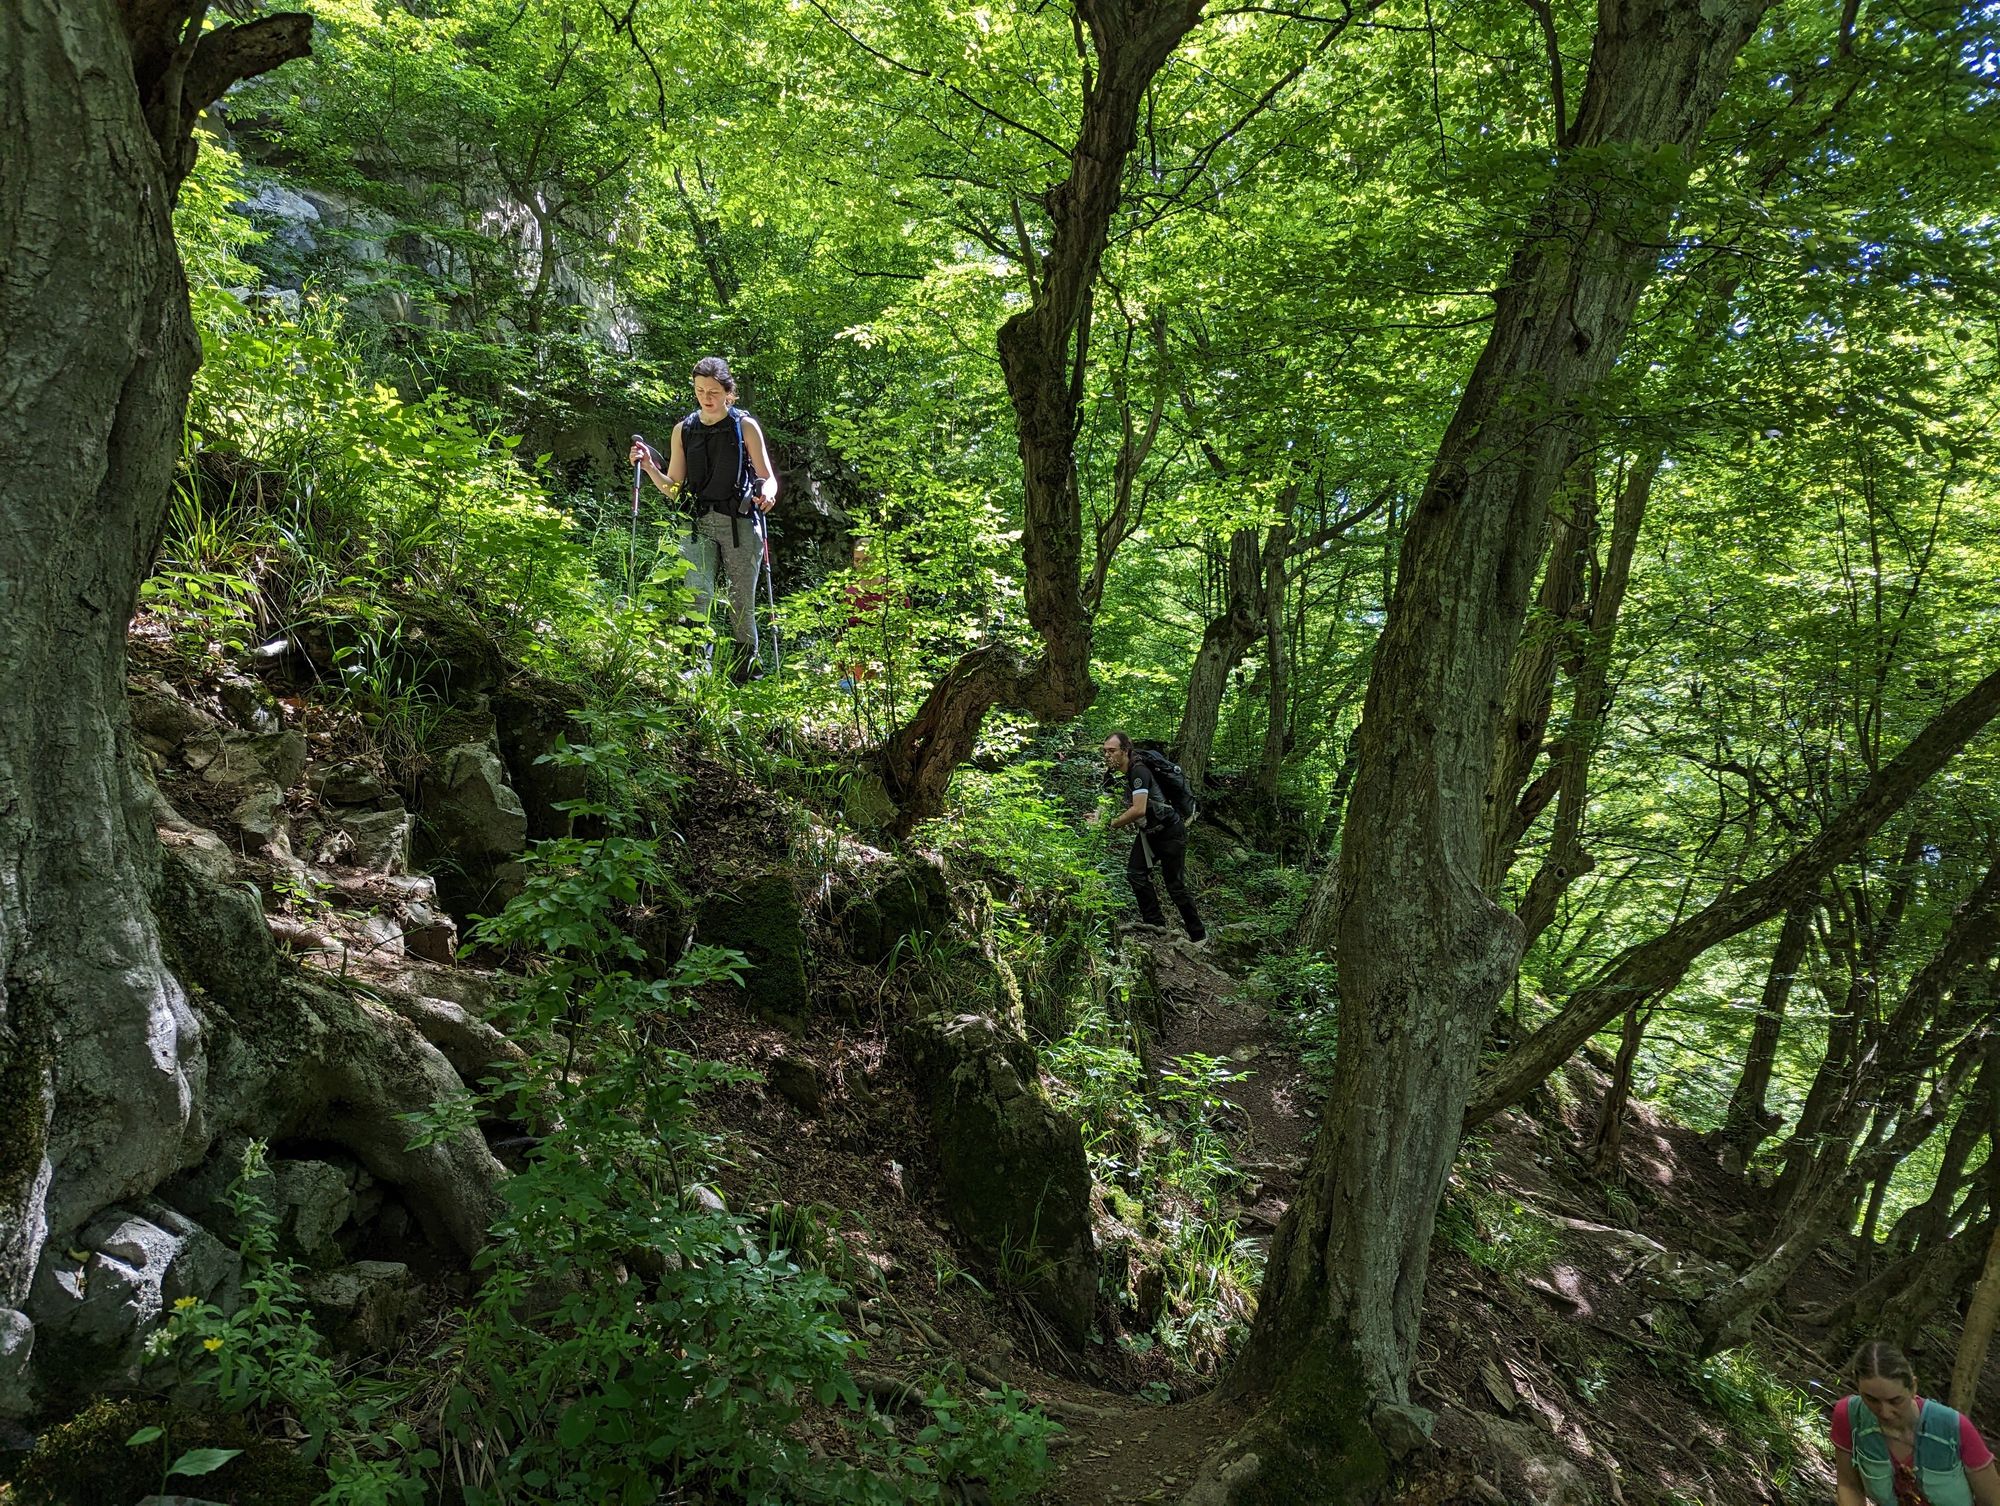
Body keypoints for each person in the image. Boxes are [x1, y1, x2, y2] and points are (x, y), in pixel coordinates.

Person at [630, 356, 777, 682]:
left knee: (742, 603)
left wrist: (768, 491)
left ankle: (745, 678)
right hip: (696, 525)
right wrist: (650, 467)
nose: (706, 397)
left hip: (740, 524)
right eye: (699, 390)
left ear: (729, 392)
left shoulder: (745, 426)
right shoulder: (684, 430)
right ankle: (693, 674)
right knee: (697, 597)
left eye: (713, 391)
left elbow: (768, 476)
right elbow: (674, 487)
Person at [1831, 1341, 2000, 1506]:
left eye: (1895, 1401)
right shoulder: (1849, 1416)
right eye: (1871, 1399)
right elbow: (1849, 1486)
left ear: (1913, 1387)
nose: (1885, 1412)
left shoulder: (1954, 1428)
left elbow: (1993, 1500)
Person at [1089, 731, 1205, 943]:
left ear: (1125, 751)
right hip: (1149, 833)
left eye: (1112, 751)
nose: (1107, 755)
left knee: (1175, 886)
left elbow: (1139, 809)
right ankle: (1156, 926)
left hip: (1169, 831)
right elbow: (1103, 804)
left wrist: (1111, 824)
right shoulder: (1112, 774)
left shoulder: (1139, 771)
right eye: (1105, 751)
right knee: (1136, 874)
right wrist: (1097, 818)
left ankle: (1198, 937)